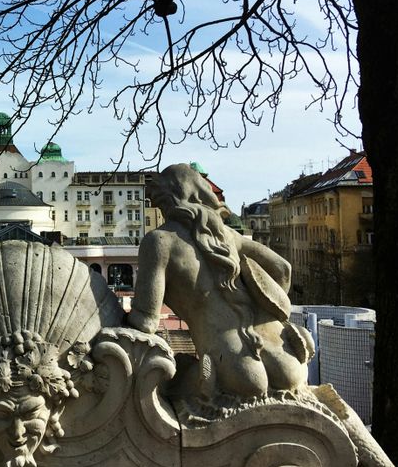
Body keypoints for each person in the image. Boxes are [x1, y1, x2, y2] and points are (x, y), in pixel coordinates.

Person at [128, 163, 311, 398]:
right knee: (287, 375)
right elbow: (283, 269)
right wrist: (267, 309)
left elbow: (146, 322)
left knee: (186, 381)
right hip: (282, 349)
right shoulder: (229, 235)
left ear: (164, 202)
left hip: (227, 359)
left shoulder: (159, 242)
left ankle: (195, 378)